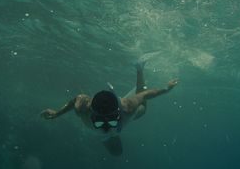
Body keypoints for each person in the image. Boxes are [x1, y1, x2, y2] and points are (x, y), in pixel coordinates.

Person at [40, 62, 179, 155]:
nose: (106, 126)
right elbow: (76, 99)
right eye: (100, 121)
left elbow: (145, 94)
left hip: (123, 118)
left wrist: (167, 89)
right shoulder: (82, 106)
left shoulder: (126, 107)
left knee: (142, 109)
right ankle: (139, 68)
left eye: (111, 120)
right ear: (91, 111)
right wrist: (56, 113)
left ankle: (139, 68)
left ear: (118, 112)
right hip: (119, 118)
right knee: (117, 152)